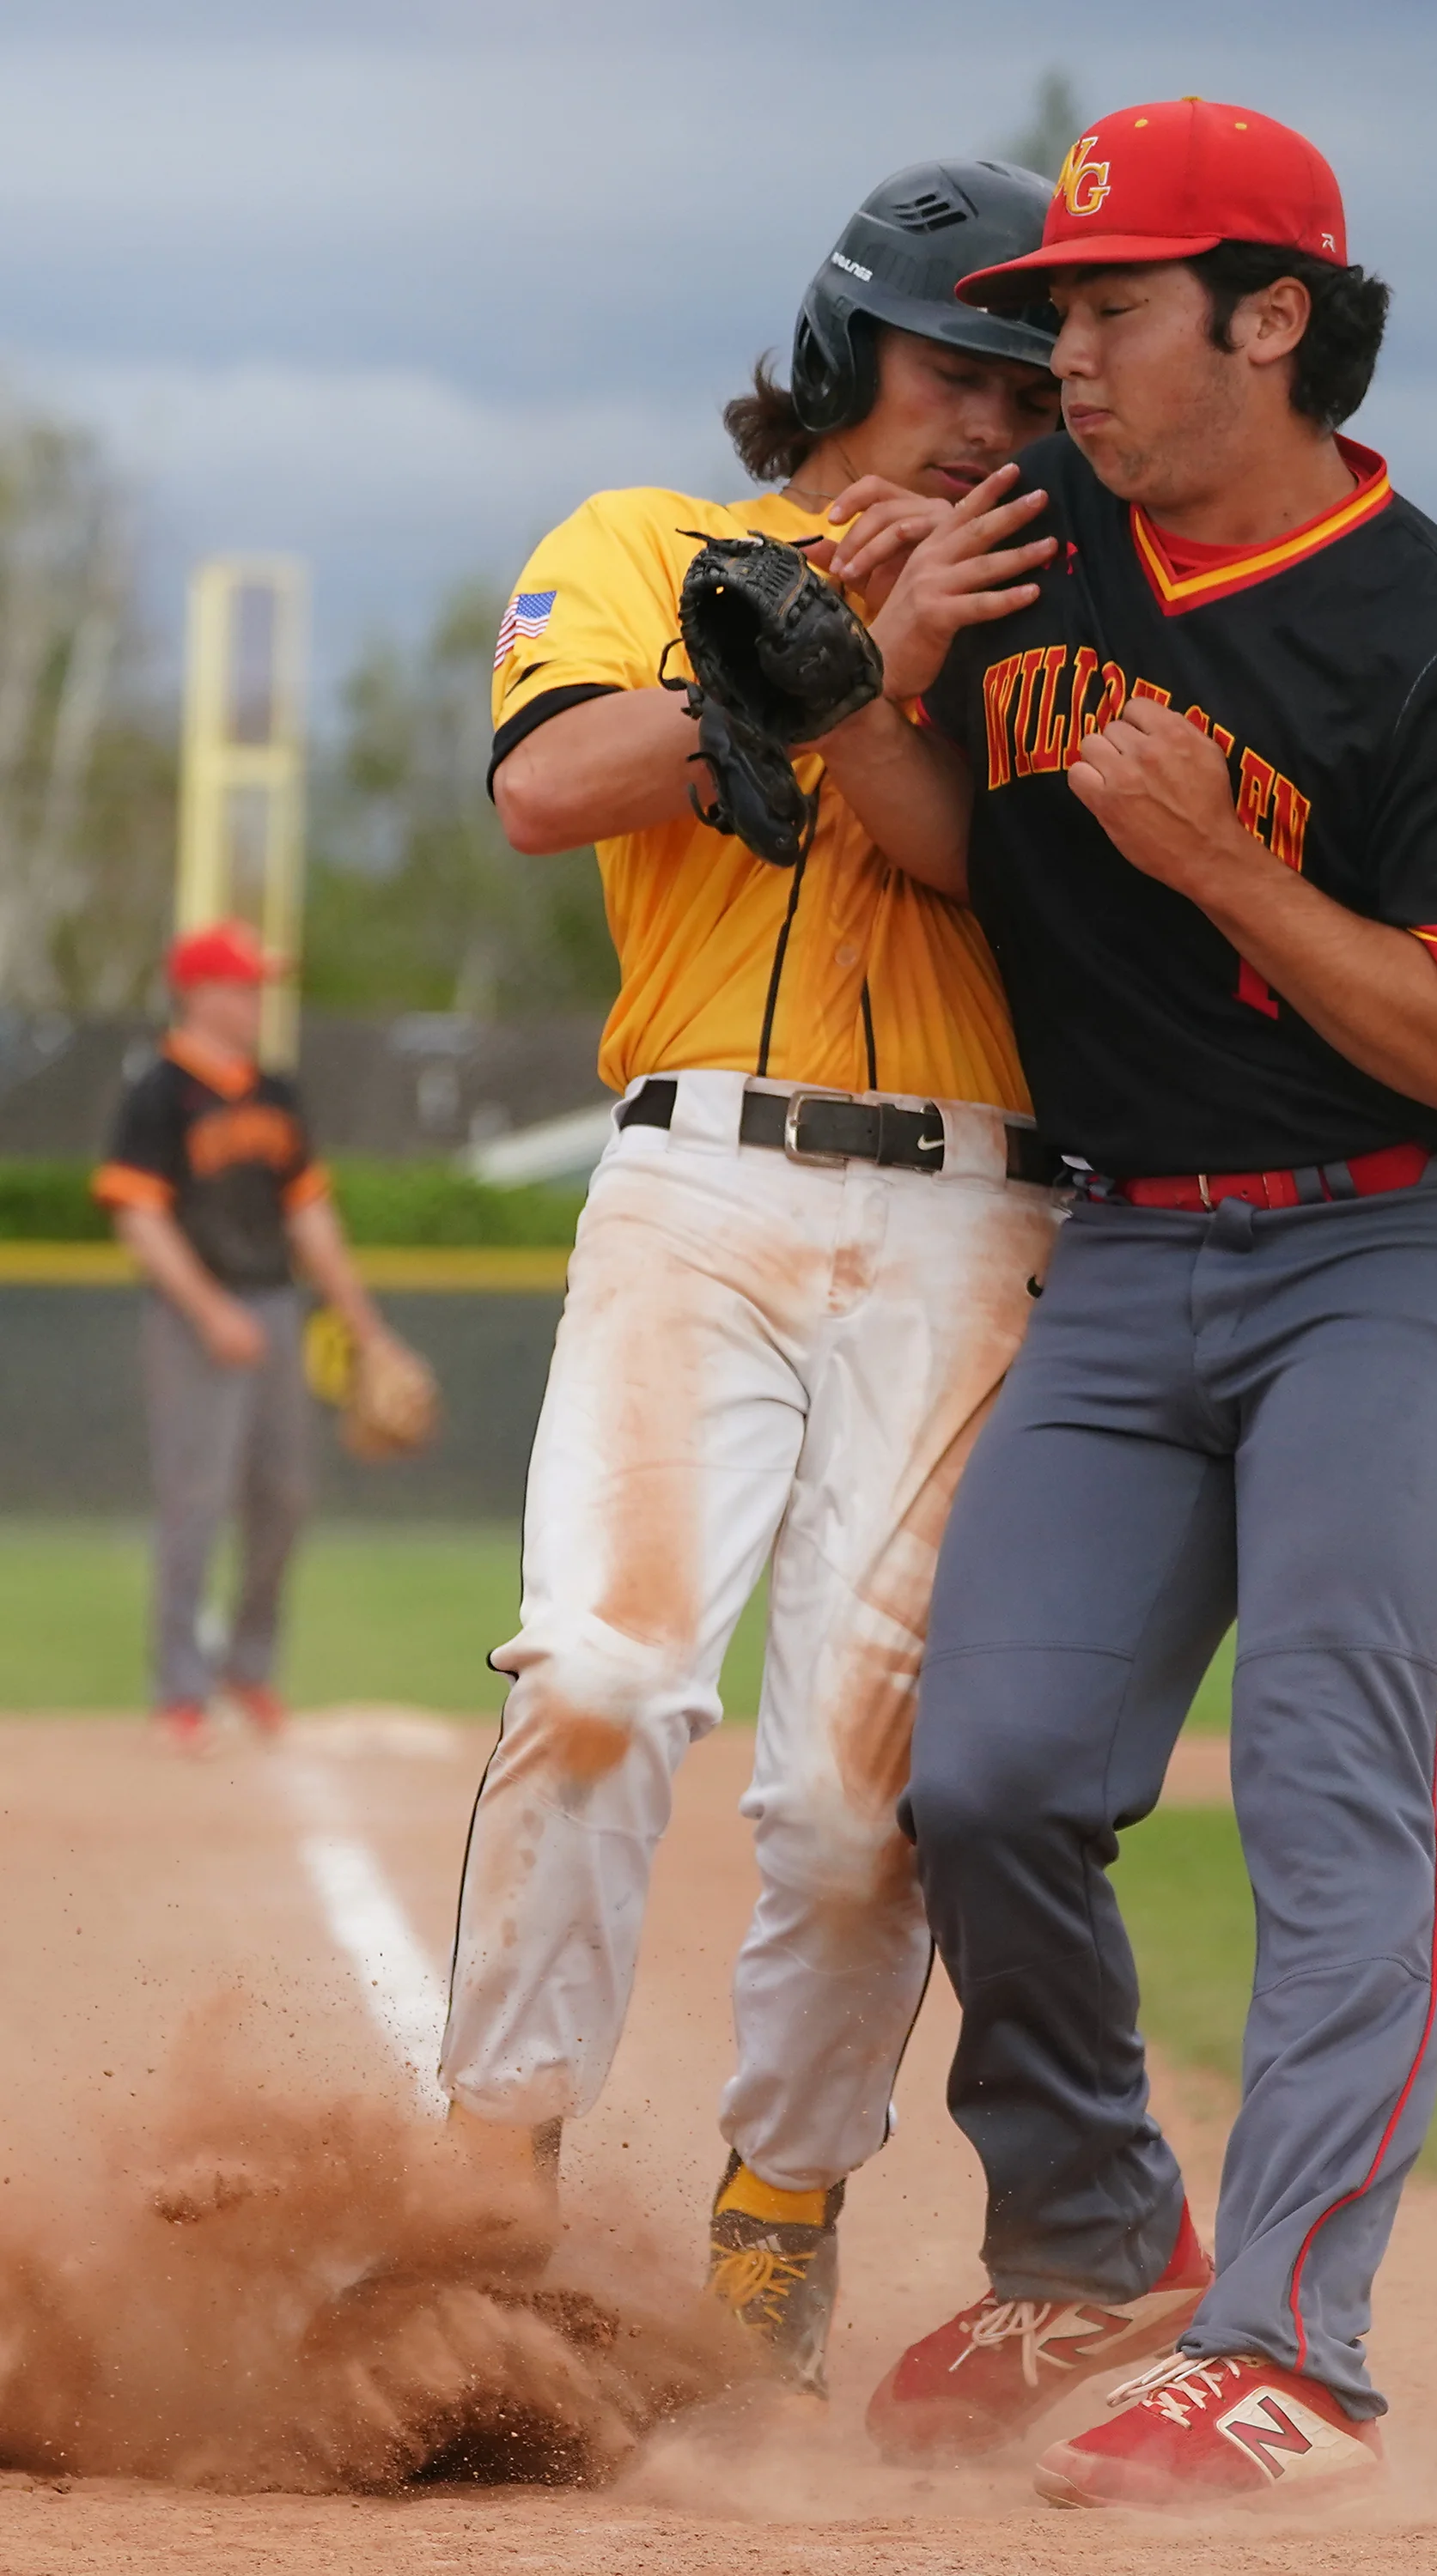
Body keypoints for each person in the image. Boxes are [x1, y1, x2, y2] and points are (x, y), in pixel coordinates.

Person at [814, 97, 1437, 2510]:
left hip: (1383, 1252)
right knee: (988, 1775)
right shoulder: (1040, 542)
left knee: (1331, 1792)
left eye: (1110, 308)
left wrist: (1232, 871)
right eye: (1051, 314)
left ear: (1270, 318)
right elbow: (973, 851)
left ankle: (1292, 2355)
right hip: (1130, 1245)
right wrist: (850, 685)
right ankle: (1093, 2233)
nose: (1062, 358)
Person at [436, 160, 1066, 2399]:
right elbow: (547, 788)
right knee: (603, 1679)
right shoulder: (647, 542)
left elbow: (1009, 874)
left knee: (856, 1797)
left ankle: (780, 2213)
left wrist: (896, 666)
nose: (993, 417)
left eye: (1034, 387)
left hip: (983, 1212)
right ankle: (490, 2180)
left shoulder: (1056, 608)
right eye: (953, 363)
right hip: (699, 1174)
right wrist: (797, 647)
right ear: (838, 348)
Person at [92, 920, 400, 1754]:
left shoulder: (274, 1092)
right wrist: (208, 1311)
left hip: (273, 1309)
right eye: (243, 985)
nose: (257, 1000)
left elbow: (310, 1215)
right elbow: (139, 1217)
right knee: (195, 1500)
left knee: (285, 1495)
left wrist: (368, 1331)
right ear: (197, 993)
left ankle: (248, 1668)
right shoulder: (159, 1093)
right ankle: (180, 1689)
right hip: (194, 1316)